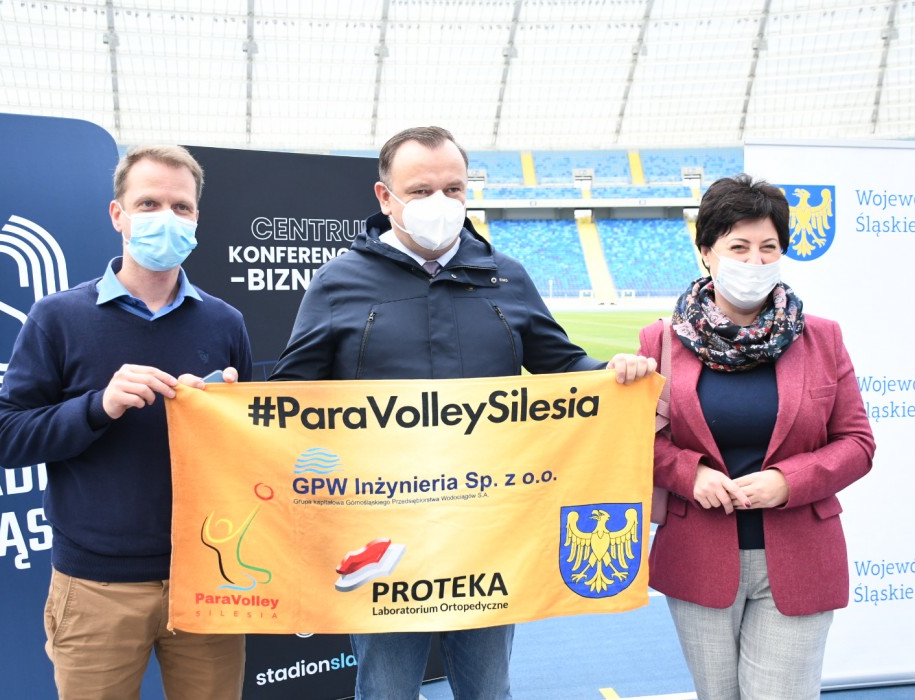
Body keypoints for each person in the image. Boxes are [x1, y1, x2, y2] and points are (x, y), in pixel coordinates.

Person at [272, 126, 656, 699]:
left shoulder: (507, 275)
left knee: (488, 689)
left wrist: (612, 373)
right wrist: (224, 405)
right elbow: (290, 394)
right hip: (381, 525)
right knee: (386, 689)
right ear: (385, 198)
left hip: (489, 523)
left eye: (453, 189)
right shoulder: (338, 281)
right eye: (421, 190)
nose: (441, 202)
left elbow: (562, 364)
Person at [0, 145, 252, 699]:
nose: (166, 217)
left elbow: (251, 454)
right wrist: (98, 405)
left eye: (180, 207)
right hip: (95, 587)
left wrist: (229, 416)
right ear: (118, 214)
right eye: (148, 203)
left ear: (196, 218)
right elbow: (7, 438)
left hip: (208, 576)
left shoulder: (225, 322)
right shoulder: (58, 317)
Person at [638, 174, 875, 700]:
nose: (755, 261)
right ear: (707, 252)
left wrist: (789, 480)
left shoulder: (822, 338)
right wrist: (690, 474)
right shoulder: (660, 341)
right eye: (739, 247)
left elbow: (857, 444)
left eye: (768, 247)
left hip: (800, 555)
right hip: (698, 557)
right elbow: (639, 442)